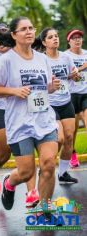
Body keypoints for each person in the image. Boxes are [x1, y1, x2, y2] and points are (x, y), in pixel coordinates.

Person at [0, 17, 60, 215]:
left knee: (49, 164)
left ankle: (45, 210)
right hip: (20, 124)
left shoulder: (42, 58)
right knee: (26, 171)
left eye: (31, 28)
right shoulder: (6, 60)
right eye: (23, 29)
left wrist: (51, 88)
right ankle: (9, 183)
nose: (28, 32)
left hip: (44, 120)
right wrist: (14, 91)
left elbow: (44, 88)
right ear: (13, 35)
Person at [0, 23, 39, 208]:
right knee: (3, 155)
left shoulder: (21, 54)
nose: (0, 43)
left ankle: (31, 192)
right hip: (0, 110)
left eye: (3, 37)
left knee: (27, 151)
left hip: (21, 108)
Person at [33, 28, 80, 184]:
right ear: (44, 42)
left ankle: (63, 173)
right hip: (49, 104)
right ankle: (46, 165)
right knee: (58, 138)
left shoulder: (66, 58)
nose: (55, 39)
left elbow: (75, 78)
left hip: (66, 102)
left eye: (56, 36)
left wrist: (75, 76)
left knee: (68, 138)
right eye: (51, 37)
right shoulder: (40, 59)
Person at [65, 29, 87, 168]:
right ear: (69, 41)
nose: (77, 40)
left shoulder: (86, 53)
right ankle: (72, 153)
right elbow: (64, 75)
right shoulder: (65, 56)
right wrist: (78, 70)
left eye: (79, 37)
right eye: (74, 38)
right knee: (72, 131)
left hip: (85, 93)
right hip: (71, 95)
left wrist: (79, 69)